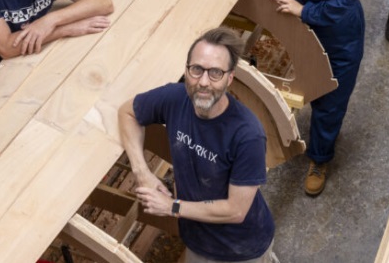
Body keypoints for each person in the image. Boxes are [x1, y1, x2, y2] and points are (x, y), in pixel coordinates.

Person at [235, 0, 365, 196]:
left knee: (331, 98)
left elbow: (346, 0)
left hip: (340, 34)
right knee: (309, 83)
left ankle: (319, 159)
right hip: (301, 32)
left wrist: (303, 10)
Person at [118, 27, 277, 263]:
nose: (203, 82)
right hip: (197, 241)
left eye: (215, 73)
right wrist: (142, 173)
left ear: (229, 78)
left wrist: (172, 207)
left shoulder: (247, 135)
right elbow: (127, 113)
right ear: (186, 69)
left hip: (241, 249)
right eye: (197, 70)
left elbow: (236, 210)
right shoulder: (174, 99)